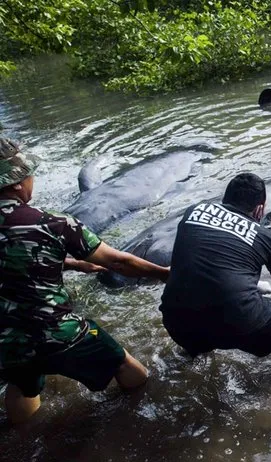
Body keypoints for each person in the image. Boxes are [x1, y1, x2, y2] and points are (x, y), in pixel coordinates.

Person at [0, 138, 171, 425]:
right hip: (59, 331)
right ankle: (140, 420)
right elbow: (119, 262)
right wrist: (165, 274)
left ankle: (23, 443)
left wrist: (72, 263)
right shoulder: (52, 222)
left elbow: (11, 259)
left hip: (6, 342)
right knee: (125, 364)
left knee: (21, 386)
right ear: (16, 182)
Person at [160, 173, 271, 363]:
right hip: (237, 323)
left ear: (226, 198)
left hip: (176, 322)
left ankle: (191, 356)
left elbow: (209, 259)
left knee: (199, 313)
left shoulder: (193, 212)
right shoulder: (266, 237)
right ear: (260, 208)